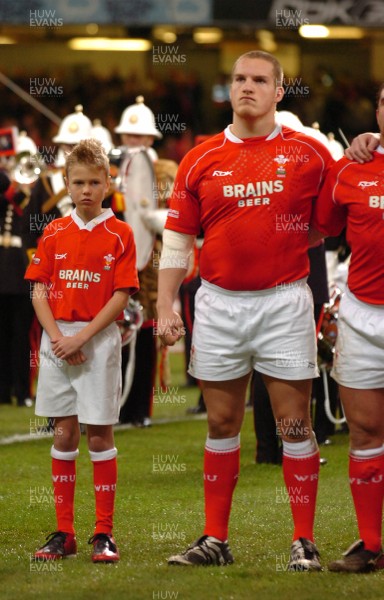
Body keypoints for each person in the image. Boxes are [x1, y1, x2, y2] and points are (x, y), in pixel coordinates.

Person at [157, 50, 334, 571]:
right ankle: (215, 540)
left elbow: (329, 219)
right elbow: (177, 239)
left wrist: (369, 144)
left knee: (294, 424)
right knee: (221, 421)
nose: (247, 87)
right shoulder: (200, 157)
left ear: (279, 91)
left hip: (283, 301)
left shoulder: (310, 153)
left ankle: (304, 540)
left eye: (260, 80)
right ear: (229, 87)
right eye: (239, 79)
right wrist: (166, 303)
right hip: (218, 302)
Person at [25, 139, 139, 562]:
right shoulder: (54, 231)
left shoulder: (120, 233)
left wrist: (80, 338)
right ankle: (64, 532)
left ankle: (103, 533)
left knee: (100, 433)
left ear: (108, 183)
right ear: (67, 185)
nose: (86, 189)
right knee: (64, 432)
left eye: (95, 181)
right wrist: (58, 337)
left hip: (97, 340)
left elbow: (121, 296)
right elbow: (38, 290)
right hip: (58, 339)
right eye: (78, 182)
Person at [308, 82, 384, 573]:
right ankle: (371, 544)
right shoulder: (353, 167)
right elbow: (321, 226)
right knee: (365, 431)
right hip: (361, 315)